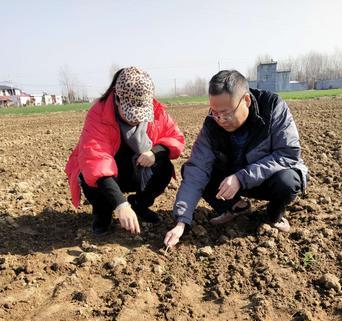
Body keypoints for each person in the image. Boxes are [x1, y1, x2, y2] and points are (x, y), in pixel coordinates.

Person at [164, 69, 308, 248]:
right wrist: (181, 222)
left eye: (226, 113)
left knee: (287, 181)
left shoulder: (272, 108)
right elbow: (197, 170)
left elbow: (288, 154)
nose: (221, 120)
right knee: (191, 170)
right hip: (232, 181)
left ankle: (274, 216)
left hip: (266, 180)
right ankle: (236, 207)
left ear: (246, 101)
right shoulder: (212, 125)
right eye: (215, 113)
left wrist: (241, 177)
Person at [65, 67, 184, 235]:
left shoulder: (156, 110)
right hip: (108, 172)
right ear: (117, 98)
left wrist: (155, 152)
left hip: (134, 167)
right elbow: (95, 162)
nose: (135, 119)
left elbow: (175, 138)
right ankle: (102, 213)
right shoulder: (98, 114)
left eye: (140, 114)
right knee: (88, 174)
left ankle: (139, 205)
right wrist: (121, 205)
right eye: (130, 113)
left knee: (164, 166)